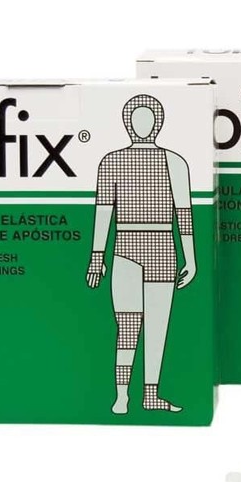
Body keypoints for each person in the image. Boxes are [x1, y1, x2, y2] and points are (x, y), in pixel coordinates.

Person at [86, 95, 196, 413]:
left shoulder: (175, 162)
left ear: (158, 122)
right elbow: (103, 210)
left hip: (162, 246)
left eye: (148, 118)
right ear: (127, 122)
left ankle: (151, 394)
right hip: (126, 247)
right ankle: (122, 394)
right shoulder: (111, 161)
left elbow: (184, 212)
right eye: (136, 117)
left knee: (158, 326)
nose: (142, 124)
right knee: (128, 324)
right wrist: (96, 255)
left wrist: (191, 257)